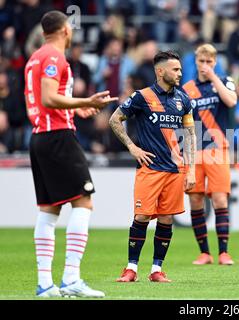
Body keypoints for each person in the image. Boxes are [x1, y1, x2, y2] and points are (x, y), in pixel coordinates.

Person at [24, 11, 118, 297]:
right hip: (58, 137)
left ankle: (45, 285)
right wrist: (86, 100)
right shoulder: (54, 57)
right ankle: (71, 278)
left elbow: (45, 102)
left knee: (49, 210)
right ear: (65, 30)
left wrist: (76, 108)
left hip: (40, 137)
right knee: (84, 202)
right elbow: (49, 98)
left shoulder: (35, 58)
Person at [110, 50, 196, 283]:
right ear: (160, 71)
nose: (180, 73)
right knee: (142, 216)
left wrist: (192, 170)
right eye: (175, 69)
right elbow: (114, 119)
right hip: (149, 169)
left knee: (167, 219)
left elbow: (190, 135)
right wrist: (132, 147)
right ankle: (131, 269)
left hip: (175, 171)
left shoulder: (184, 99)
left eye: (180, 69)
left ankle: (157, 270)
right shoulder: (141, 96)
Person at [181, 44, 237, 265]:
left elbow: (231, 101)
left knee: (219, 197)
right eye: (201, 62)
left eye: (209, 62)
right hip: (194, 150)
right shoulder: (187, 88)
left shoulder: (224, 81)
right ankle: (204, 252)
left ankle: (224, 252)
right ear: (195, 62)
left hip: (217, 147)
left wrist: (213, 77)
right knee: (195, 199)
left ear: (215, 62)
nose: (204, 66)